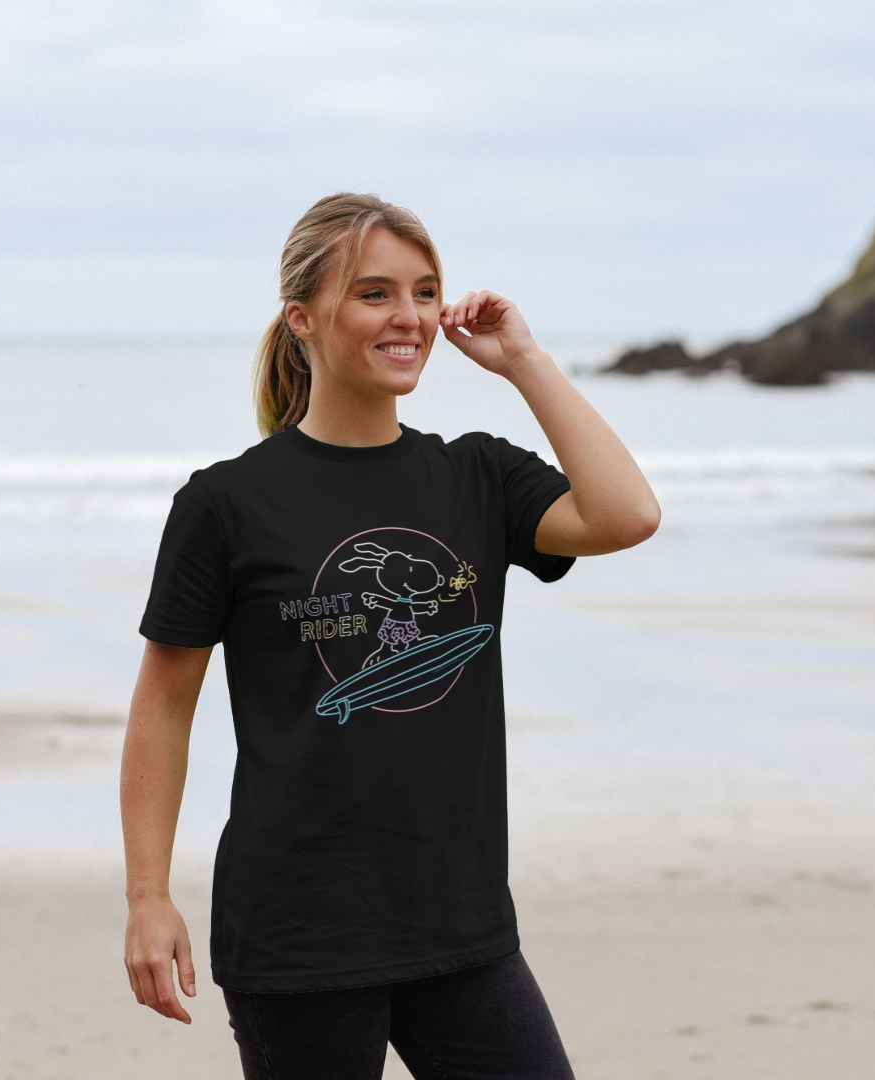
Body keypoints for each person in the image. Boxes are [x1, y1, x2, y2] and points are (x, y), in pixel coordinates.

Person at [121, 192, 660, 1079]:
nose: (408, 315)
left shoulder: (478, 476)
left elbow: (626, 514)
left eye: (424, 291)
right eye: (374, 293)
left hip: (460, 922)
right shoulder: (226, 504)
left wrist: (524, 362)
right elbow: (164, 704)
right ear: (302, 316)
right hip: (299, 931)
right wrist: (148, 897)